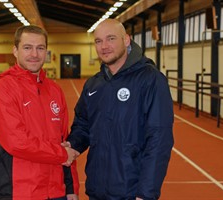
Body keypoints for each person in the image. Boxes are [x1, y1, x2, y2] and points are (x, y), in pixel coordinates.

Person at [65, 19, 174, 200]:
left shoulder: (151, 80)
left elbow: (159, 140)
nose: (104, 46)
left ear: (126, 40)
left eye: (111, 39)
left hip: (131, 193)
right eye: (98, 41)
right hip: (97, 190)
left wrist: (146, 194)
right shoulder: (94, 84)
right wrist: (73, 145)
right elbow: (83, 125)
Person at [0, 25, 79, 200]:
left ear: (46, 51)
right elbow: (17, 143)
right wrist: (61, 154)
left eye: (40, 48)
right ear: (15, 50)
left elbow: (64, 141)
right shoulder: (2, 90)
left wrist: (71, 187)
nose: (34, 54)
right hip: (18, 193)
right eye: (27, 47)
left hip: (56, 191)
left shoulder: (55, 90)